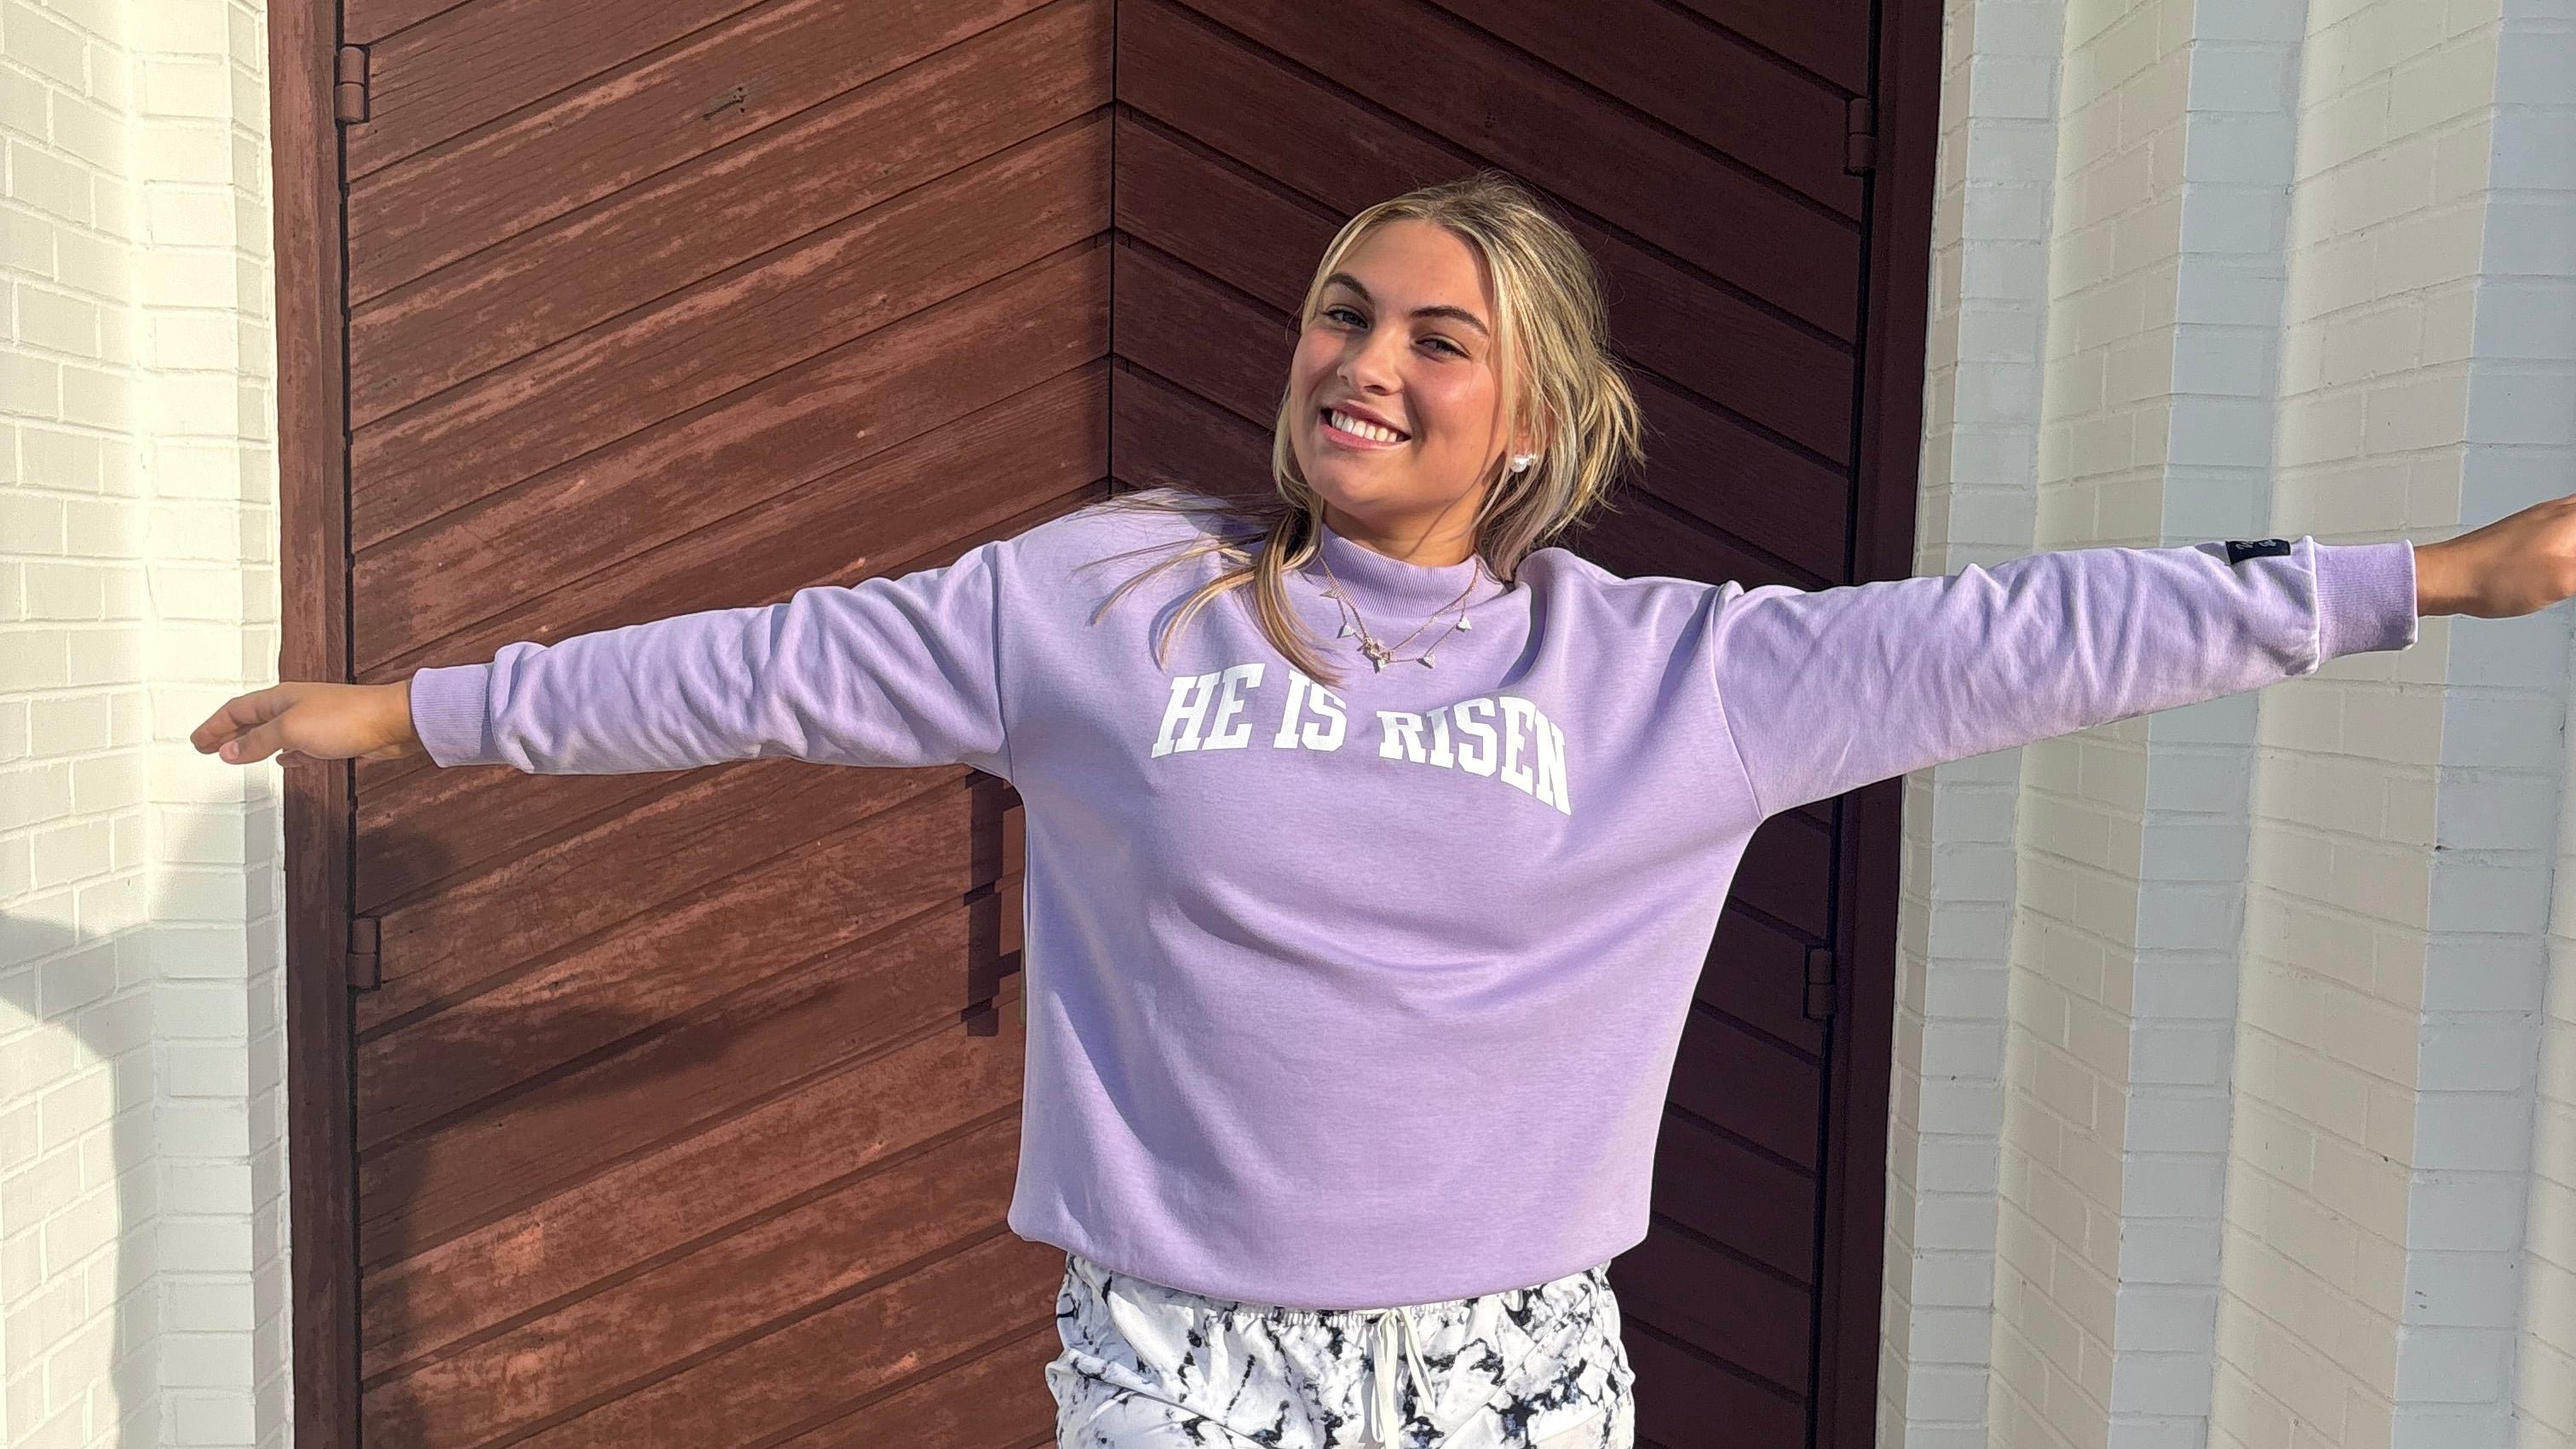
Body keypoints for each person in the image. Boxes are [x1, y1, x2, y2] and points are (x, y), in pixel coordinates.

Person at [196, 171, 2572, 1449]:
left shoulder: (1670, 680)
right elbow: (769, 665)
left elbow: (2028, 630)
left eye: (1440, 336)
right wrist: (410, 710)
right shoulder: (1109, 602)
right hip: (1182, 1359)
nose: (1369, 360)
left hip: (1512, 1371)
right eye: (1346, 312)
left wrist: (2426, 582)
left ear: (1530, 417)